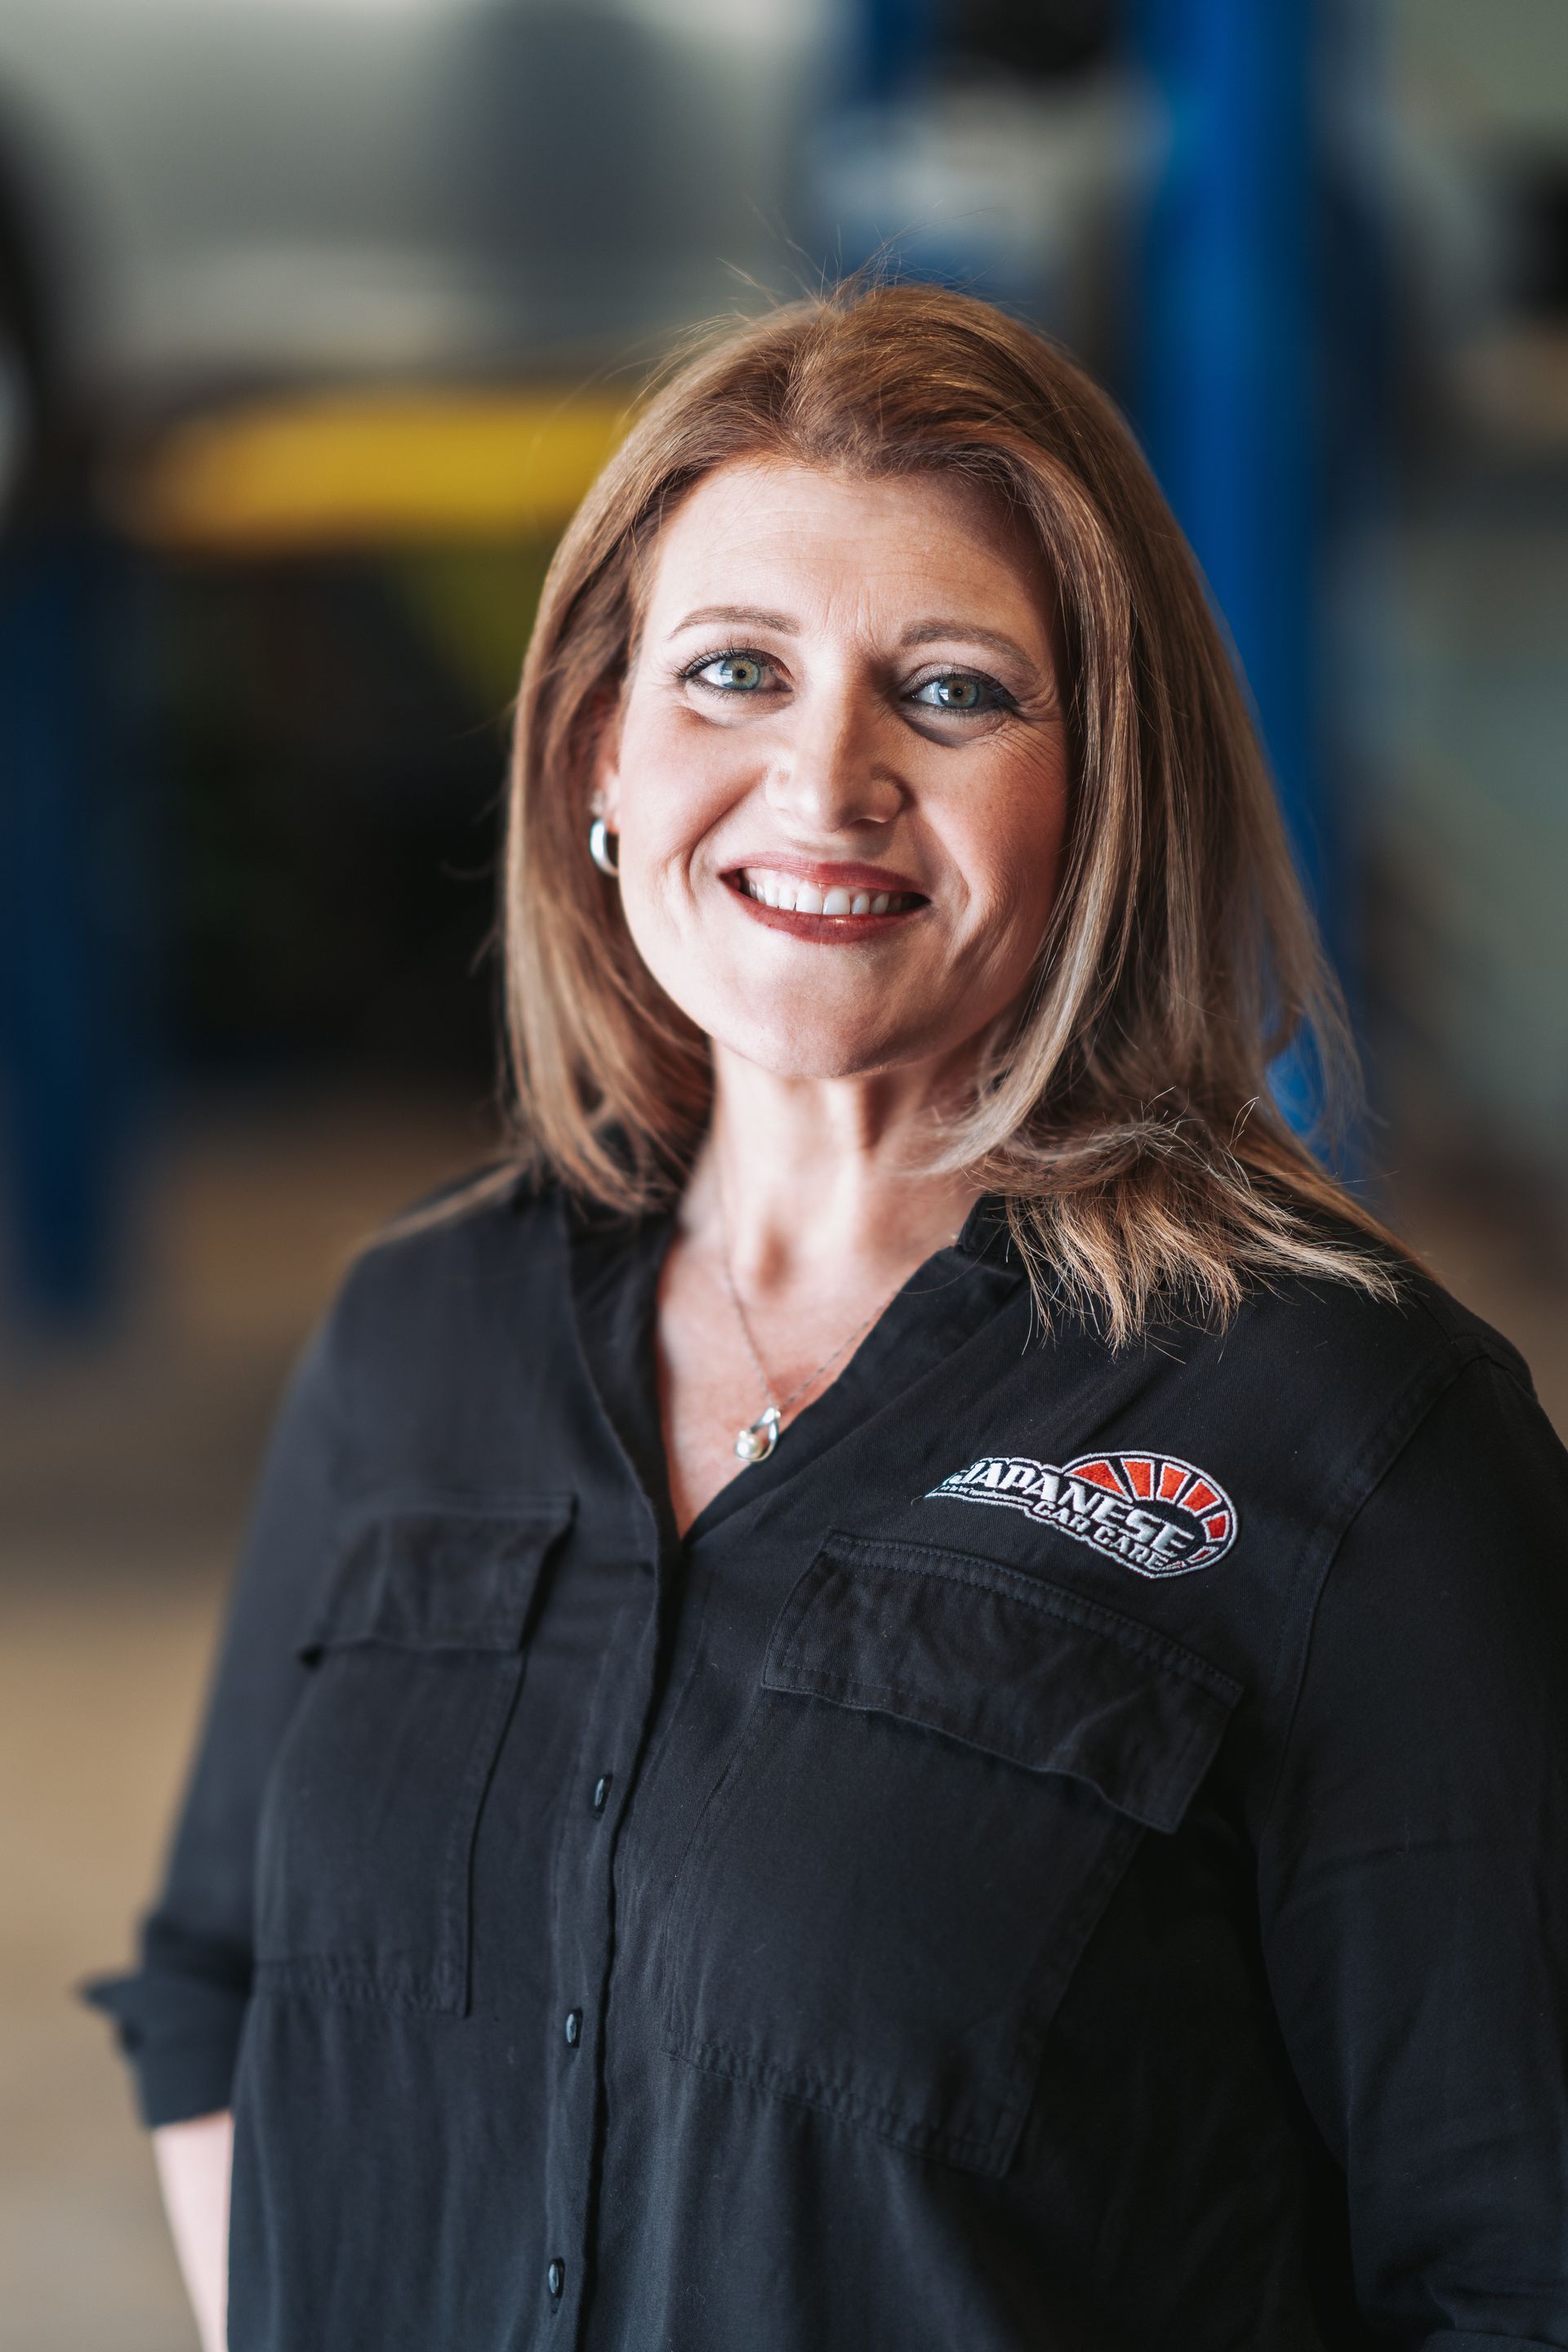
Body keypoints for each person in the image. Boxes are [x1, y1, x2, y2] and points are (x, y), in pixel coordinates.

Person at [88, 282, 1568, 2352]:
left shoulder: (1354, 1438)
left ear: (1107, 793)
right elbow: (214, 1987)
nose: (826, 775)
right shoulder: (422, 1332)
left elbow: (1514, 2269)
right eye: (732, 673)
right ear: (602, 750)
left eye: (952, 691)